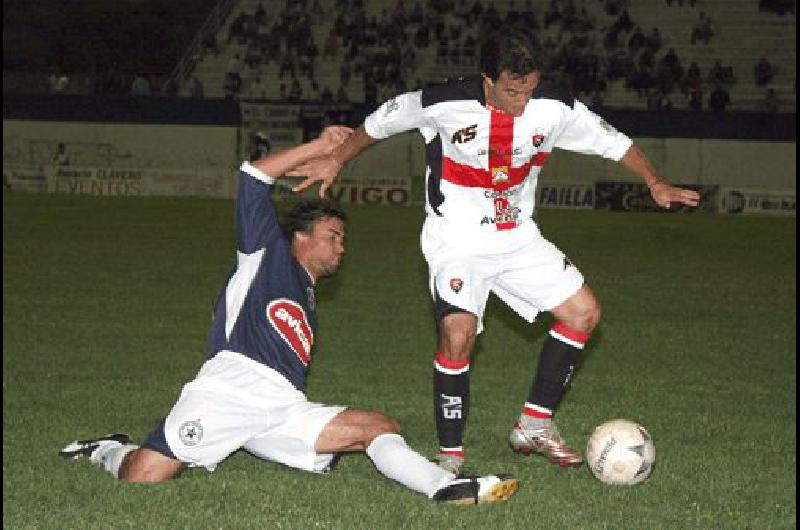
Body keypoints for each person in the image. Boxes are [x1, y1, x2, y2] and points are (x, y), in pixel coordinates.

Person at [288, 30, 700, 474]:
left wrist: (654, 180)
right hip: (457, 240)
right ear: (487, 79)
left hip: (518, 236)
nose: (522, 100)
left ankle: (534, 424)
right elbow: (379, 122)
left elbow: (614, 142)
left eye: (528, 89)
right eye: (511, 90)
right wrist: (337, 159)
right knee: (457, 333)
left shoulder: (555, 105)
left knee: (583, 313)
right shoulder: (441, 101)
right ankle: (450, 456)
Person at [58, 127, 519, 506]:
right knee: (143, 476)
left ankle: (445, 486)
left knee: (378, 426)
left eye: (343, 240)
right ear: (301, 236)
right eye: (333, 235)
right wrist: (322, 148)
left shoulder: (309, 292)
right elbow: (251, 176)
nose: (342, 247)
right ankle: (106, 448)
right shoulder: (265, 250)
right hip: (229, 389)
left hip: (282, 405)